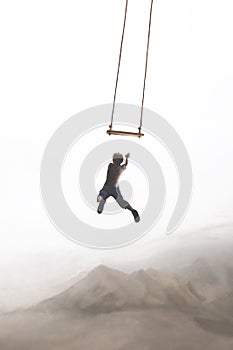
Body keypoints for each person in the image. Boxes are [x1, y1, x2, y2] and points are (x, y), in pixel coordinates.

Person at [97, 152, 140, 223]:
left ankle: (133, 211)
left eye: (114, 158)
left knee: (103, 196)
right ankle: (132, 210)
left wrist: (126, 158)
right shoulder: (121, 168)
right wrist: (126, 158)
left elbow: (124, 164)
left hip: (111, 188)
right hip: (111, 188)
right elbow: (125, 164)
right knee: (105, 197)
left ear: (114, 160)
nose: (113, 159)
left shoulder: (110, 165)